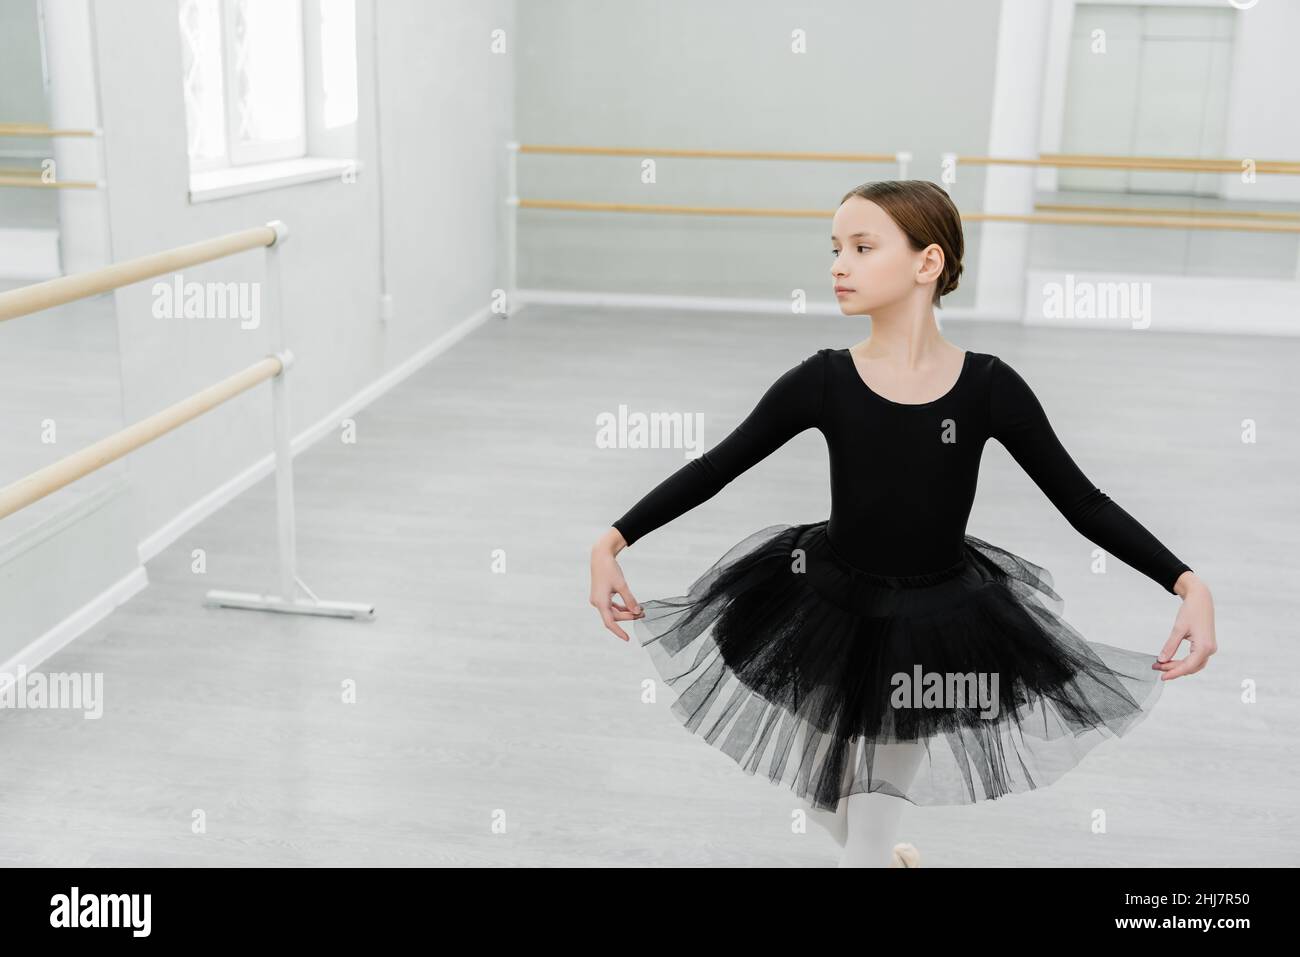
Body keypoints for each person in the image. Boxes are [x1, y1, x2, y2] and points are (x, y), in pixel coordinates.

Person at [589, 180, 1217, 868]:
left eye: (861, 247)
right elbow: (717, 464)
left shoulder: (988, 388)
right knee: (820, 800)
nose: (838, 265)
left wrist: (1186, 583)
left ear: (927, 264)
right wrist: (614, 537)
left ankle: (874, 856)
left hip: (930, 628)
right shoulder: (824, 379)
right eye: (835, 249)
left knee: (859, 845)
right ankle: (883, 856)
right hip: (825, 602)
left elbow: (1083, 501)